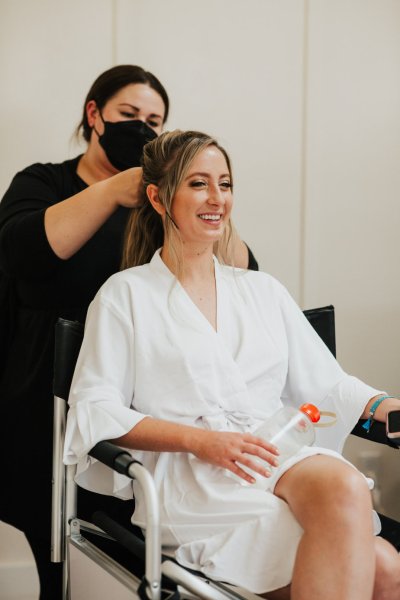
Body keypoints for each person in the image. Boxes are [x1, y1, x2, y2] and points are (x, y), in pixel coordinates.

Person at [64, 129, 400, 600]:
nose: (217, 198)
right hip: (191, 479)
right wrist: (201, 442)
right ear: (159, 198)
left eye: (226, 184)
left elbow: (328, 385)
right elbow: (96, 408)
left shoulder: (262, 290)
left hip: (273, 452)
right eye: (199, 183)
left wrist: (388, 406)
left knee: (348, 490)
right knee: (383, 567)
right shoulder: (125, 295)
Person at [0, 66, 258, 600]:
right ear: (94, 115)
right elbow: (22, 251)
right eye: (128, 116)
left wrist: (205, 201)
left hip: (145, 400)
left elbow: (240, 275)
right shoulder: (45, 181)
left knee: (130, 555)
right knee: (60, 551)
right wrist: (115, 191)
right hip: (47, 395)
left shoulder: (161, 201)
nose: (141, 128)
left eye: (154, 121)